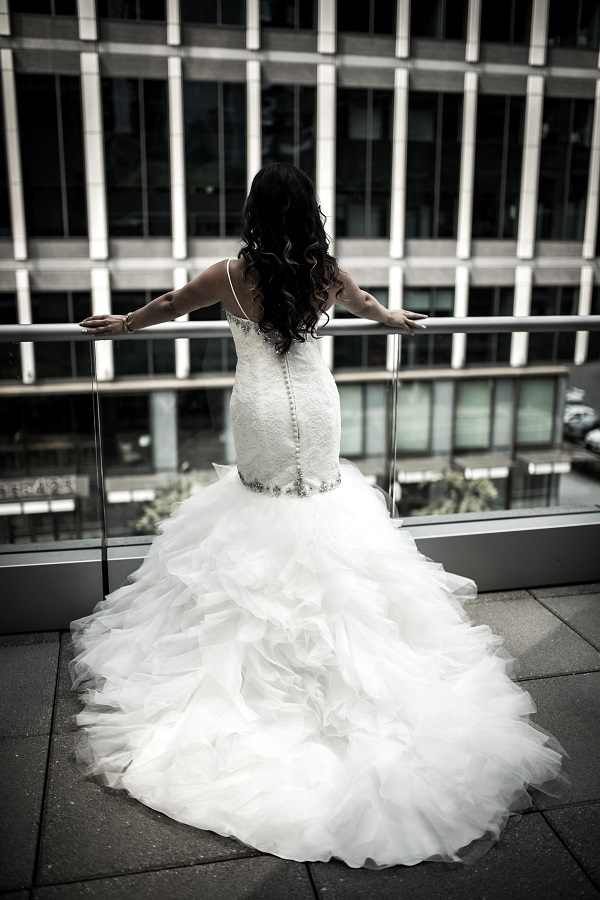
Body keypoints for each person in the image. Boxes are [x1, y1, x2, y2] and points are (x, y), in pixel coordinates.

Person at [70, 162, 564, 869]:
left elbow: (169, 305)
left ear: (252, 212)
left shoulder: (229, 274)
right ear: (309, 214)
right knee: (321, 502)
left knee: (263, 502)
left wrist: (120, 323)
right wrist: (394, 318)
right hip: (317, 403)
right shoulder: (323, 271)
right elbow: (366, 305)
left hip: (260, 409)